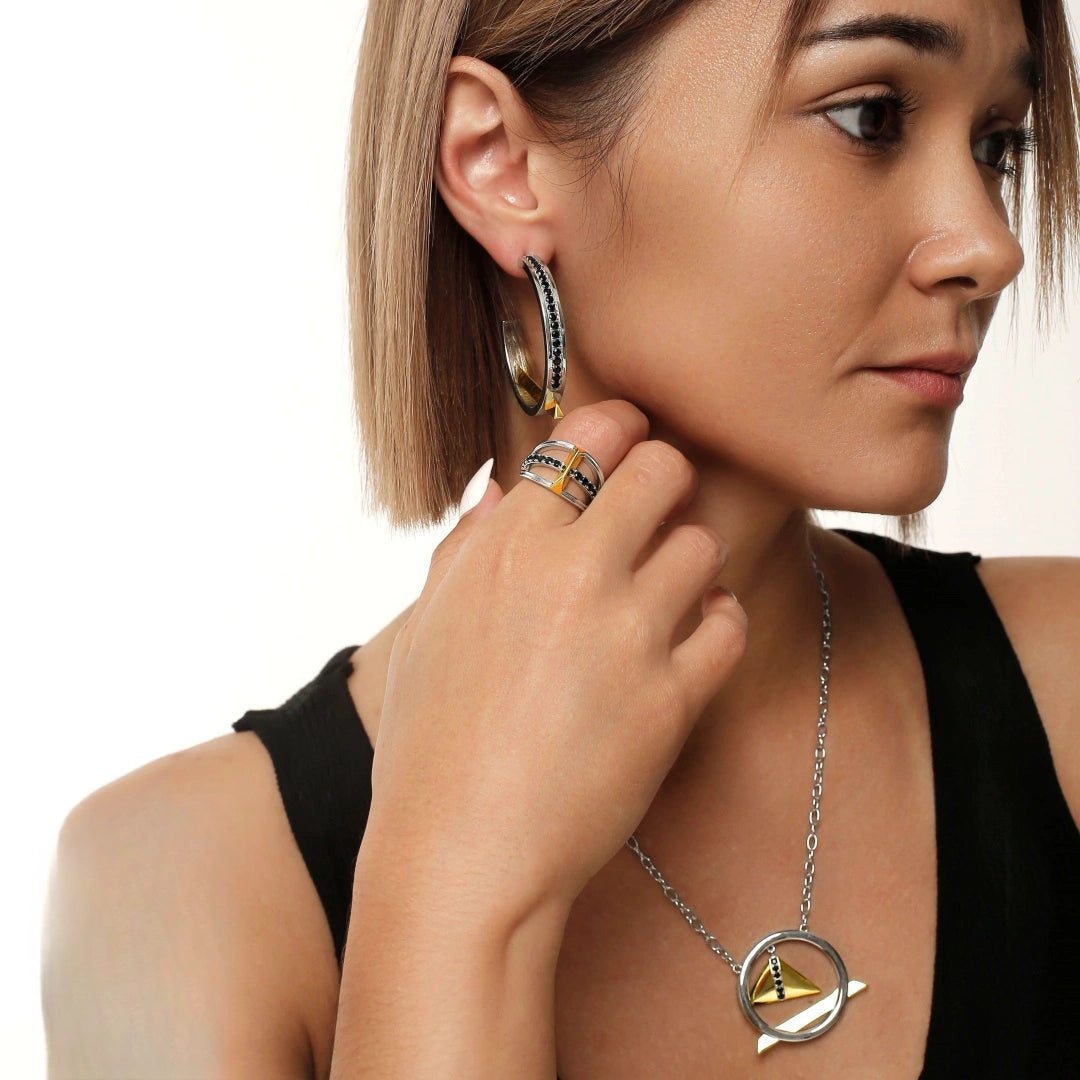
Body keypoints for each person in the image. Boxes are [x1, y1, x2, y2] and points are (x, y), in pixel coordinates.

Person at [41, 0, 1080, 1075]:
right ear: (498, 160)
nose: (992, 245)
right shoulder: (180, 884)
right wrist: (456, 894)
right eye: (871, 116)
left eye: (998, 144)